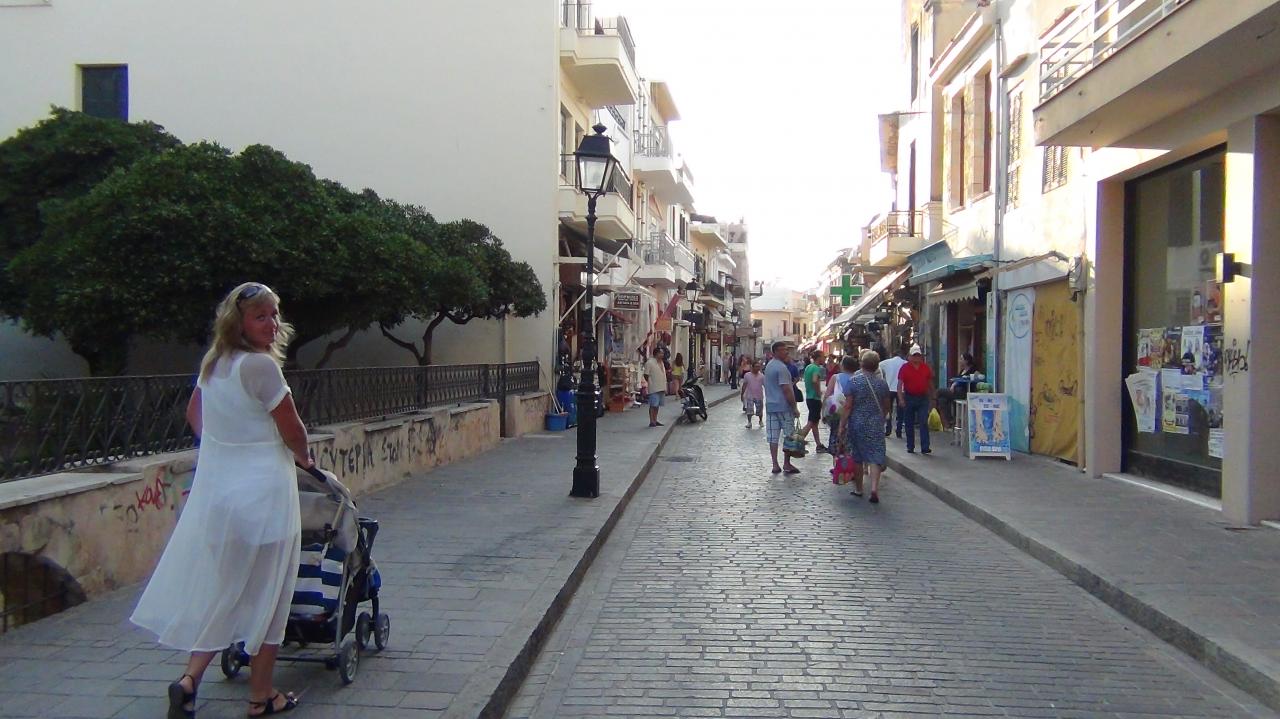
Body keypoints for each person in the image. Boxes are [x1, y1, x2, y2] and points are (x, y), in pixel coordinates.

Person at [130, 282, 308, 718]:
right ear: (239, 323)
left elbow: (195, 414)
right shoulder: (261, 367)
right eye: (261, 316)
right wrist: (304, 457)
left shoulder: (216, 362)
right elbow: (291, 427)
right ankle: (261, 697)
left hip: (222, 498)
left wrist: (225, 447)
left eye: (274, 314)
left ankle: (189, 681)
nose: (272, 324)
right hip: (264, 499)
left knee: (226, 593)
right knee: (269, 599)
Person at [840, 350, 892, 503]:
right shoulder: (882, 383)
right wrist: (881, 417)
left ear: (862, 364)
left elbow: (848, 406)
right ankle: (874, 489)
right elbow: (887, 405)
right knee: (875, 455)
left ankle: (859, 488)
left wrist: (842, 425)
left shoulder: (854, 382)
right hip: (875, 423)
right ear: (876, 366)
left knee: (858, 457)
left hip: (857, 422)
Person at [764, 341, 800, 474]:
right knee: (789, 435)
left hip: (771, 406)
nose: (786, 352)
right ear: (776, 352)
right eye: (784, 350)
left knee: (773, 437)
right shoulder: (782, 368)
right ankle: (787, 463)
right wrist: (794, 407)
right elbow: (786, 389)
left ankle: (775, 464)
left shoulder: (769, 366)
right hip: (784, 406)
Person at [897, 344, 935, 455]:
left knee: (923, 422)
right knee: (909, 423)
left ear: (921, 356)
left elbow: (930, 383)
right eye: (914, 355)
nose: (916, 358)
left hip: (923, 398)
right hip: (909, 397)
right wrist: (901, 399)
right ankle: (910, 446)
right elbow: (900, 385)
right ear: (909, 356)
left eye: (918, 355)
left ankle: (925, 446)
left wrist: (933, 397)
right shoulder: (904, 368)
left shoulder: (925, 368)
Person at [936, 352, 980, 426]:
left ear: (966, 361)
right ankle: (951, 420)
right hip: (956, 390)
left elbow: (969, 379)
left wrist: (954, 384)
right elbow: (957, 379)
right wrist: (954, 384)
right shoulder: (962, 370)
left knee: (939, 391)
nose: (960, 360)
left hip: (964, 391)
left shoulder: (973, 370)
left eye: (961, 359)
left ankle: (932, 405)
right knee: (942, 400)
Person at [798, 349, 829, 453]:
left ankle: (818, 445)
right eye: (823, 357)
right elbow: (815, 380)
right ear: (819, 358)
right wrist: (818, 392)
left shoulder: (808, 367)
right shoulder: (816, 368)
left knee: (814, 422)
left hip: (809, 397)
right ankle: (797, 441)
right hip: (815, 398)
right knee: (811, 422)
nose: (824, 359)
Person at [879, 344, 909, 438]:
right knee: (901, 411)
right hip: (901, 389)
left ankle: (888, 428)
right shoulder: (905, 363)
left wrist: (883, 377)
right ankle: (899, 429)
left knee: (888, 409)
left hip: (889, 388)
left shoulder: (886, 362)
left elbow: (878, 366)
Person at [644, 348, 667, 428]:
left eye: (662, 353)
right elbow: (646, 374)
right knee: (653, 405)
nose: (662, 355)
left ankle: (655, 419)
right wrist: (650, 382)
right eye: (661, 353)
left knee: (657, 405)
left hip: (661, 386)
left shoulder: (662, 363)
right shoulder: (650, 363)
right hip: (654, 387)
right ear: (656, 354)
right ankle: (651, 421)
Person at [740, 360, 765, 428]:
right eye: (756, 366)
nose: (758, 368)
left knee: (759, 410)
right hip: (750, 395)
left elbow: (765, 385)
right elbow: (744, 385)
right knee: (749, 410)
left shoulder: (762, 376)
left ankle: (760, 420)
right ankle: (749, 422)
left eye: (759, 367)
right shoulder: (747, 375)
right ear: (752, 367)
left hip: (759, 395)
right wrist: (742, 394)